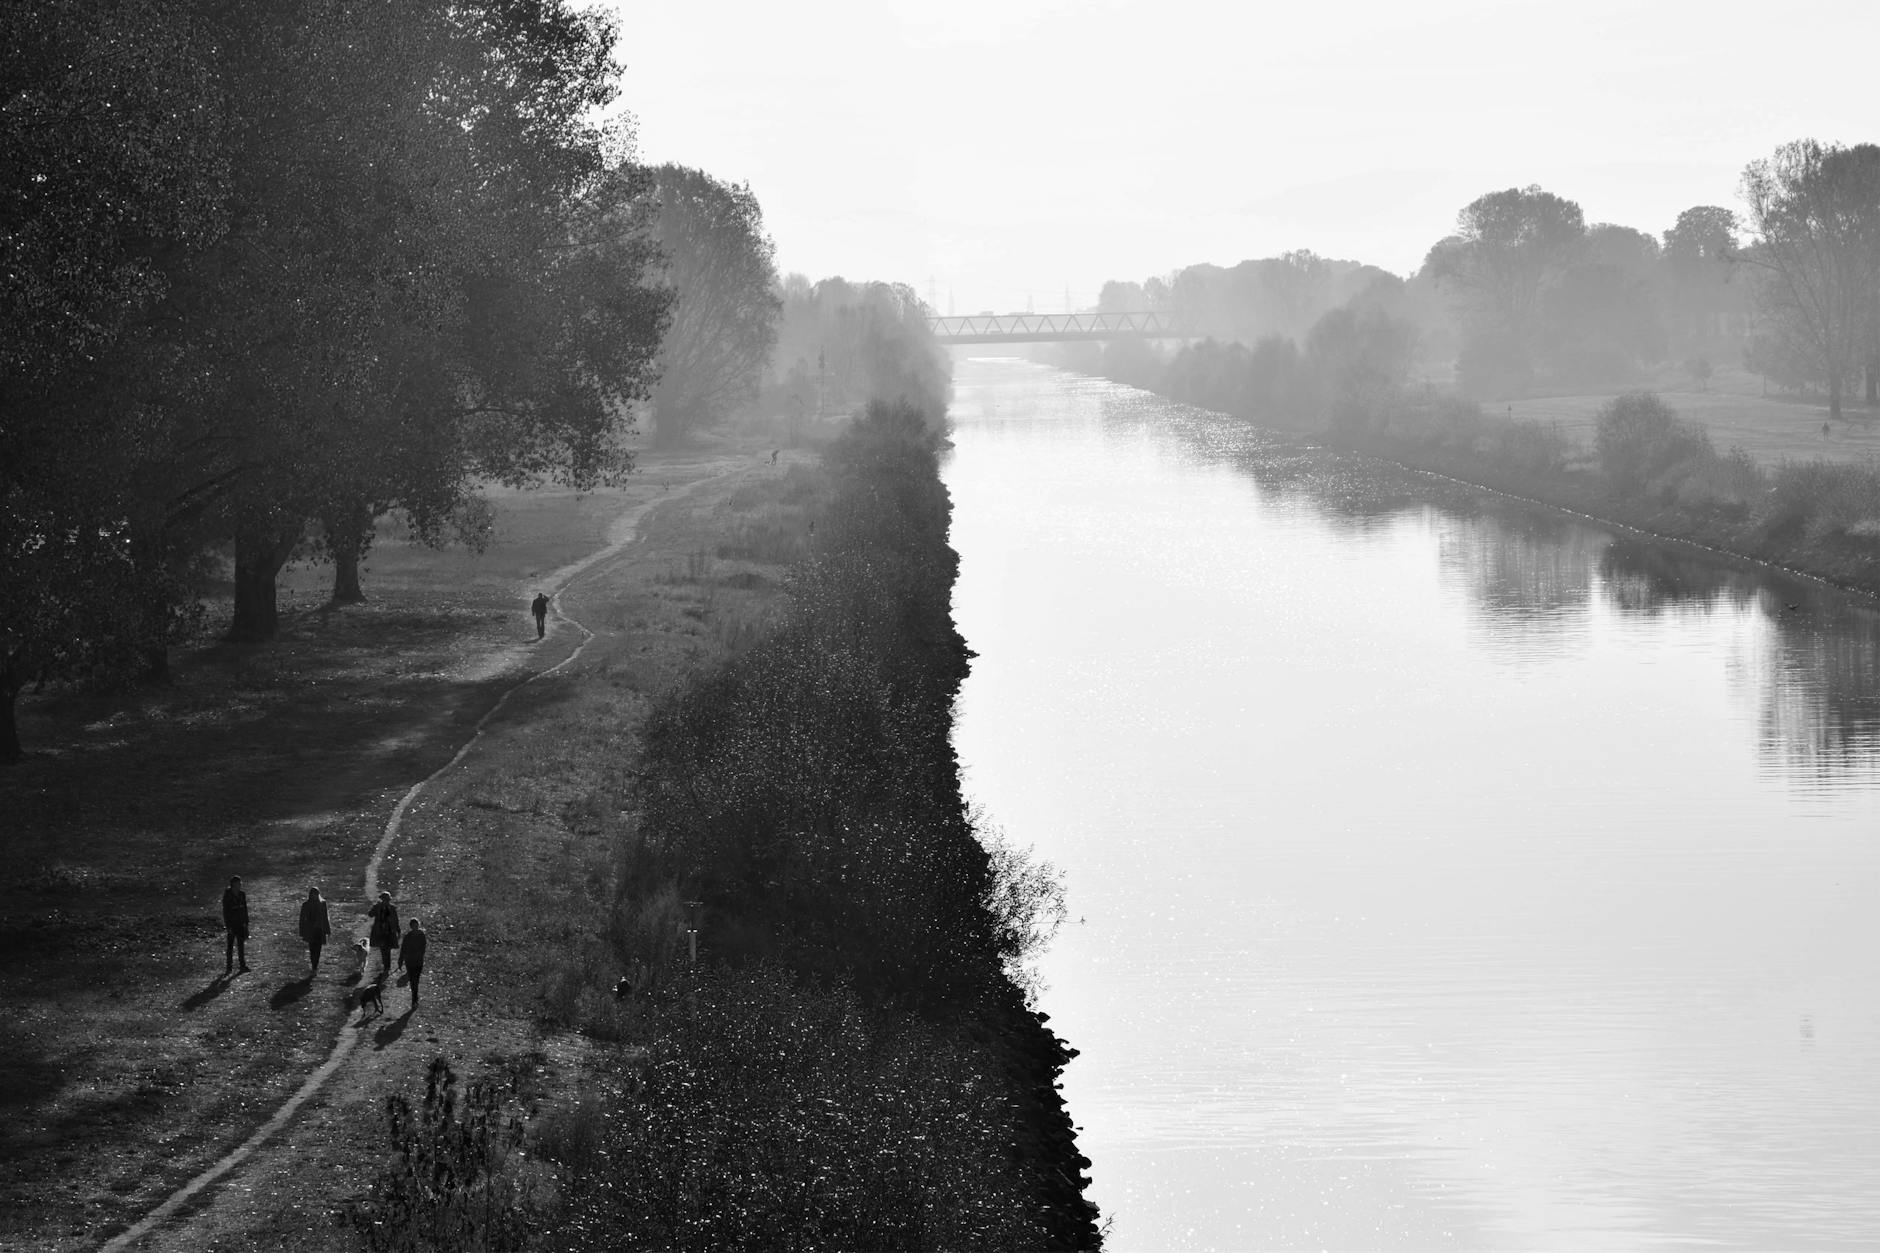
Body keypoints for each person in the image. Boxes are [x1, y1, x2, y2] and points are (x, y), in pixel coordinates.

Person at [298, 887, 331, 976]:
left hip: (319, 930)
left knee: (318, 949)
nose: (314, 896)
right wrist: (302, 931)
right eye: (313, 894)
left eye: (316, 894)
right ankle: (314, 966)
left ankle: (315, 967)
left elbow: (325, 918)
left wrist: (328, 930)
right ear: (310, 895)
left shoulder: (322, 903)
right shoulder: (306, 905)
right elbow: (302, 919)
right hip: (310, 931)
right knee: (312, 949)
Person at [367, 891, 400, 977]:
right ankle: (386, 965)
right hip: (380, 932)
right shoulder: (378, 907)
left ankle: (387, 966)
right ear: (382, 899)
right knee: (383, 948)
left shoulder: (392, 908)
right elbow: (370, 914)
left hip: (389, 931)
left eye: (387, 899)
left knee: (387, 948)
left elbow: (395, 920)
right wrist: (374, 907)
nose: (386, 901)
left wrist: (398, 930)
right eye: (385, 899)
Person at [221, 876, 250, 975]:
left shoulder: (242, 894)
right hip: (232, 923)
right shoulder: (227, 896)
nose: (240, 885)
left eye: (240, 883)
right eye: (238, 883)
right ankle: (229, 967)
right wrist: (228, 925)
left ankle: (242, 965)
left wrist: (246, 922)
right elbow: (226, 912)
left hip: (240, 922)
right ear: (233, 884)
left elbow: (245, 909)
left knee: (241, 945)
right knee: (230, 946)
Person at [398, 917, 428, 1007]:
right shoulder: (407, 936)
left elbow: (423, 948)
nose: (415, 927)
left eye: (416, 925)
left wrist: (417, 954)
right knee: (412, 981)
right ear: (411, 926)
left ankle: (415, 998)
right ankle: (414, 999)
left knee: (416, 980)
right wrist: (400, 961)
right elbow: (403, 949)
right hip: (410, 962)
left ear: (418, 925)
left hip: (418, 961)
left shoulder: (421, 935)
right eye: (413, 926)